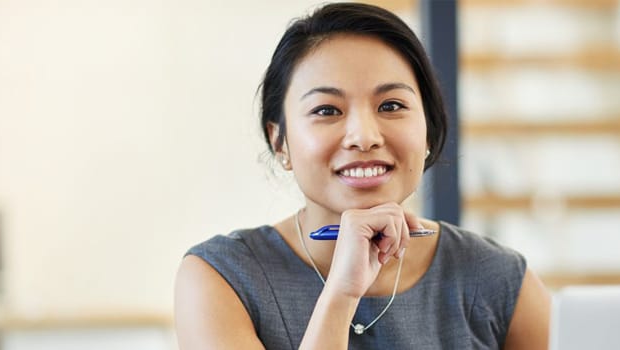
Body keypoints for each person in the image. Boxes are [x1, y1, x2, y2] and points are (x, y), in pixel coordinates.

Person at [174, 3, 551, 349]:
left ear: (429, 132)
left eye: (391, 105)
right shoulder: (221, 278)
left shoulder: (500, 281)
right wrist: (342, 294)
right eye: (326, 110)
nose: (364, 136)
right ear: (280, 141)